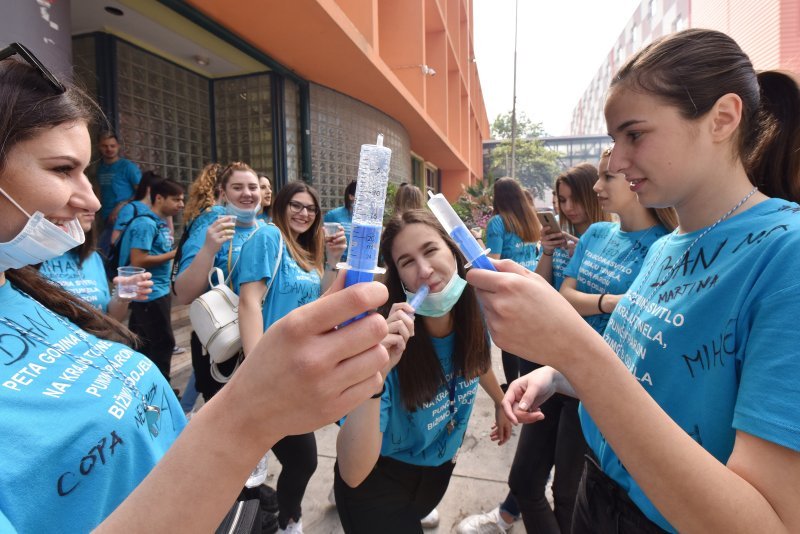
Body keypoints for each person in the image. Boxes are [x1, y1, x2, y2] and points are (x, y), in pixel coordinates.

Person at [0, 46, 391, 532]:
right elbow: (218, 295)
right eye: (63, 169)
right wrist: (251, 401)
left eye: (85, 170)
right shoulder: (247, 234)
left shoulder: (25, 291)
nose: (92, 198)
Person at [467, 29, 800, 533]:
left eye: (634, 134)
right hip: (597, 495)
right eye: (613, 139)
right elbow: (645, 378)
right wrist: (556, 376)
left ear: (723, 119)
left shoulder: (786, 254)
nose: (617, 162)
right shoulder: (668, 244)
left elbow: (766, 522)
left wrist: (573, 346)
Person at [334, 209, 512, 534]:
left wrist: (500, 401)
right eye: (407, 262)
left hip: (437, 474)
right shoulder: (386, 343)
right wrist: (377, 372)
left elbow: (476, 361)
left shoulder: (476, 314)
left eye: (430, 251)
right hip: (378, 484)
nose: (425, 270)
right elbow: (353, 472)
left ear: (453, 250)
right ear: (399, 278)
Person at [459, 164, 608, 534]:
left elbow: (566, 299)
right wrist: (546, 252)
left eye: (572, 198)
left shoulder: (609, 238)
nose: (566, 207)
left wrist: (604, 301)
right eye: (560, 200)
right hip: (548, 364)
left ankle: (507, 515)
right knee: (529, 472)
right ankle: (508, 514)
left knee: (567, 487)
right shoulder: (570, 239)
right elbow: (548, 289)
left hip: (588, 377)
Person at [235, 181, 347, 534]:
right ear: (281, 206)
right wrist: (256, 369)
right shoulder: (268, 238)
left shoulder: (303, 249)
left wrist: (332, 261)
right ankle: (287, 523)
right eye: (296, 206)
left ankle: (283, 520)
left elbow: (320, 303)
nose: (304, 213)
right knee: (294, 460)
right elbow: (249, 301)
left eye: (311, 209)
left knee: (292, 461)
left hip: (295, 370)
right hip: (267, 371)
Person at [174, 162, 266, 398]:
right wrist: (209, 249)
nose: (247, 193)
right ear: (223, 193)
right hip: (224, 345)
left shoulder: (268, 230)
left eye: (252, 187)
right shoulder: (212, 227)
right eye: (238, 187)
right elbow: (183, 293)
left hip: (265, 342)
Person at [118, 178, 184, 382]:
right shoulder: (146, 224)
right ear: (159, 198)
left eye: (182, 199)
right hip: (148, 294)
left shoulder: (159, 223)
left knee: (143, 343)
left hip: (159, 291)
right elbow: (138, 259)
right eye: (176, 199)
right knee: (163, 343)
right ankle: (162, 391)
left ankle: (145, 387)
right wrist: (174, 254)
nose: (181, 204)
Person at [40, 211, 153, 320]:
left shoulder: (92, 256)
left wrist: (121, 297)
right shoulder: (28, 259)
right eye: (75, 201)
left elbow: (111, 318)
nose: (94, 206)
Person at [485, 177, 542, 389]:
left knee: (510, 343)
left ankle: (512, 385)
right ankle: (530, 383)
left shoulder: (498, 222)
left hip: (509, 289)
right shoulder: (529, 219)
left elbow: (495, 261)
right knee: (527, 341)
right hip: (533, 285)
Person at [95, 131, 142, 253]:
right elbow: (100, 192)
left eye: (112, 146)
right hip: (106, 216)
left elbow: (142, 191)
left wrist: (122, 204)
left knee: (104, 251)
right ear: (99, 147)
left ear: (118, 146)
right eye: (105, 146)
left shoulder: (127, 166)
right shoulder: (100, 168)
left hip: (124, 215)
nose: (109, 149)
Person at [110, 170, 163, 245]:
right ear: (149, 189)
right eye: (162, 190)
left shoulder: (160, 209)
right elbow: (115, 239)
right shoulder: (130, 209)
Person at [324, 179, 356, 261]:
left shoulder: (366, 220)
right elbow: (321, 239)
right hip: (338, 262)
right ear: (351, 196)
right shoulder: (333, 215)